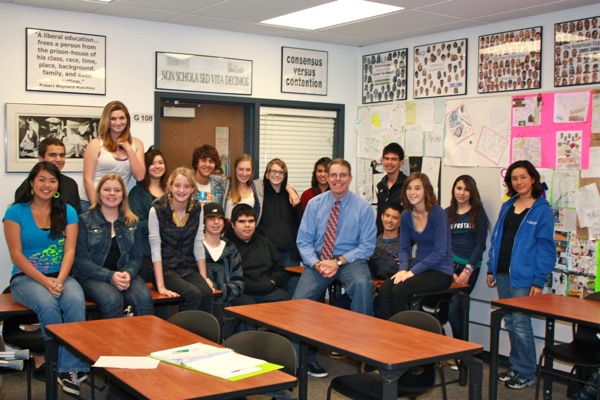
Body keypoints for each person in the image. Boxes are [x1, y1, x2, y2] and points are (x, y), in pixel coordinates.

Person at [4, 161, 89, 397]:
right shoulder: (15, 212)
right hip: (26, 278)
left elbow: (70, 251)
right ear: (32, 183)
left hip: (60, 275)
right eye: (42, 179)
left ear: (58, 185)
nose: (47, 185)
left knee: (74, 301)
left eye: (52, 180)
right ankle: (55, 365)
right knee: (49, 305)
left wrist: (59, 279)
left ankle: (68, 370)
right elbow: (17, 255)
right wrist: (46, 281)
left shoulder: (68, 212)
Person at [294, 158, 376, 377]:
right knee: (298, 303)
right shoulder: (314, 204)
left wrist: (338, 261)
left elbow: (367, 246)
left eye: (342, 175)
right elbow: (303, 241)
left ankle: (364, 355)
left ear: (349, 178)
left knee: (362, 286)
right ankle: (297, 360)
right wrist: (316, 263)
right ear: (327, 178)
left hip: (349, 260)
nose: (337, 180)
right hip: (319, 261)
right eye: (333, 175)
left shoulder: (363, 208)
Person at [487, 160, 555, 390]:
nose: (519, 182)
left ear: (532, 178)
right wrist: (491, 267)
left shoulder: (542, 209)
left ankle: (527, 371)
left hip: (524, 277)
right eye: (514, 178)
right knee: (510, 320)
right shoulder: (508, 205)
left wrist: (539, 279)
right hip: (503, 272)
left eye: (523, 177)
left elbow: (546, 248)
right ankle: (516, 366)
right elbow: (497, 238)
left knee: (521, 323)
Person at [73, 174, 154, 319]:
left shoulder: (131, 221)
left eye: (117, 190)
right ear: (99, 194)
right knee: (112, 299)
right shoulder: (84, 221)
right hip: (92, 276)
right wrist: (110, 276)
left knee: (144, 298)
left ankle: (144, 341)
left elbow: (136, 258)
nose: (112, 193)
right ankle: (113, 341)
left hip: (124, 274)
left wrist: (128, 273)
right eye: (107, 189)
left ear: (123, 195)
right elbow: (80, 260)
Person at [378, 172, 453, 319]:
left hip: (441, 271)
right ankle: (389, 333)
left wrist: (411, 272)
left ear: (426, 190)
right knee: (384, 290)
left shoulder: (437, 213)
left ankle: (404, 336)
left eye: (417, 188)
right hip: (419, 268)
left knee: (398, 291)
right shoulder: (406, 215)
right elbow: (404, 248)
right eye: (409, 188)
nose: (412, 192)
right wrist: (403, 269)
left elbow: (440, 252)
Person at [148, 167, 214, 314]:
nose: (181, 190)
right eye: (177, 186)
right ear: (170, 186)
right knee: (193, 294)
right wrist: (161, 286)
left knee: (207, 293)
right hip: (165, 270)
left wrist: (204, 278)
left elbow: (198, 243)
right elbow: (155, 248)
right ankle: (182, 335)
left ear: (192, 189)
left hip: (188, 267)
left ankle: (204, 334)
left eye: (186, 186)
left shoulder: (198, 209)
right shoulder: (157, 210)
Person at [445, 175, 489, 341]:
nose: (462, 193)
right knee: (444, 308)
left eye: (466, 189)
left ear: (472, 192)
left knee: (454, 309)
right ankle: (453, 351)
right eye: (459, 188)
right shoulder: (446, 213)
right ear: (454, 190)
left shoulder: (478, 213)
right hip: (449, 267)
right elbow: (443, 244)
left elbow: (480, 245)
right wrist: (450, 270)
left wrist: (467, 270)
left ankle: (462, 353)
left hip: (469, 269)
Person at [80, 100, 145, 212]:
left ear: (127, 120)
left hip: (118, 203)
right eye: (113, 119)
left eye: (122, 118)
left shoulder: (137, 144)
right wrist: (97, 208)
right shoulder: (96, 144)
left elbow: (139, 176)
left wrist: (129, 149)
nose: (118, 122)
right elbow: (87, 179)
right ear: (107, 121)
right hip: (91, 202)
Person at [224, 204, 291, 306]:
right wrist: (257, 287)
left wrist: (272, 283)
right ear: (233, 224)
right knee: (250, 309)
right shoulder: (225, 246)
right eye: (242, 221)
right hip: (242, 293)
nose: (247, 225)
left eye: (251, 221)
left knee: (288, 300)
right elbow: (227, 277)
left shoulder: (266, 243)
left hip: (268, 291)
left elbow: (279, 269)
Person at [129, 149, 167, 282]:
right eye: (152, 163)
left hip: (170, 253)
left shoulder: (172, 191)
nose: (157, 166)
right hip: (145, 253)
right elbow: (135, 224)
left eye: (160, 162)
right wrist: (161, 223)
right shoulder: (137, 193)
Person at [15, 137, 81, 214]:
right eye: (52, 155)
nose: (58, 159)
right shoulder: (27, 186)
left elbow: (76, 217)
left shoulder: (71, 184)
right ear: (41, 158)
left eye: (62, 155)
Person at [258, 158, 303, 267]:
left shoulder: (292, 196)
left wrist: (297, 251)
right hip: (266, 253)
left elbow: (301, 222)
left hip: (289, 254)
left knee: (293, 284)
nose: (276, 175)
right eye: (273, 171)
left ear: (284, 176)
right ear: (267, 174)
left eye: (280, 172)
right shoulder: (260, 195)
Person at [203, 202, 244, 306]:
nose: (216, 222)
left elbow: (239, 285)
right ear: (203, 222)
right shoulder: (195, 249)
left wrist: (214, 286)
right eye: (211, 218)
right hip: (200, 308)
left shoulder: (231, 250)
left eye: (220, 218)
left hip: (227, 308)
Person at [376, 143, 407, 235]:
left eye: (394, 159)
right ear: (382, 160)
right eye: (386, 158)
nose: (389, 162)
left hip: (401, 241)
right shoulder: (380, 186)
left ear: (401, 162)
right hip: (381, 239)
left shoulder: (408, 186)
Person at [368, 202, 402, 280]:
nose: (389, 220)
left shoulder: (403, 246)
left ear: (400, 221)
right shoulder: (372, 242)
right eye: (387, 216)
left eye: (395, 218)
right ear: (382, 217)